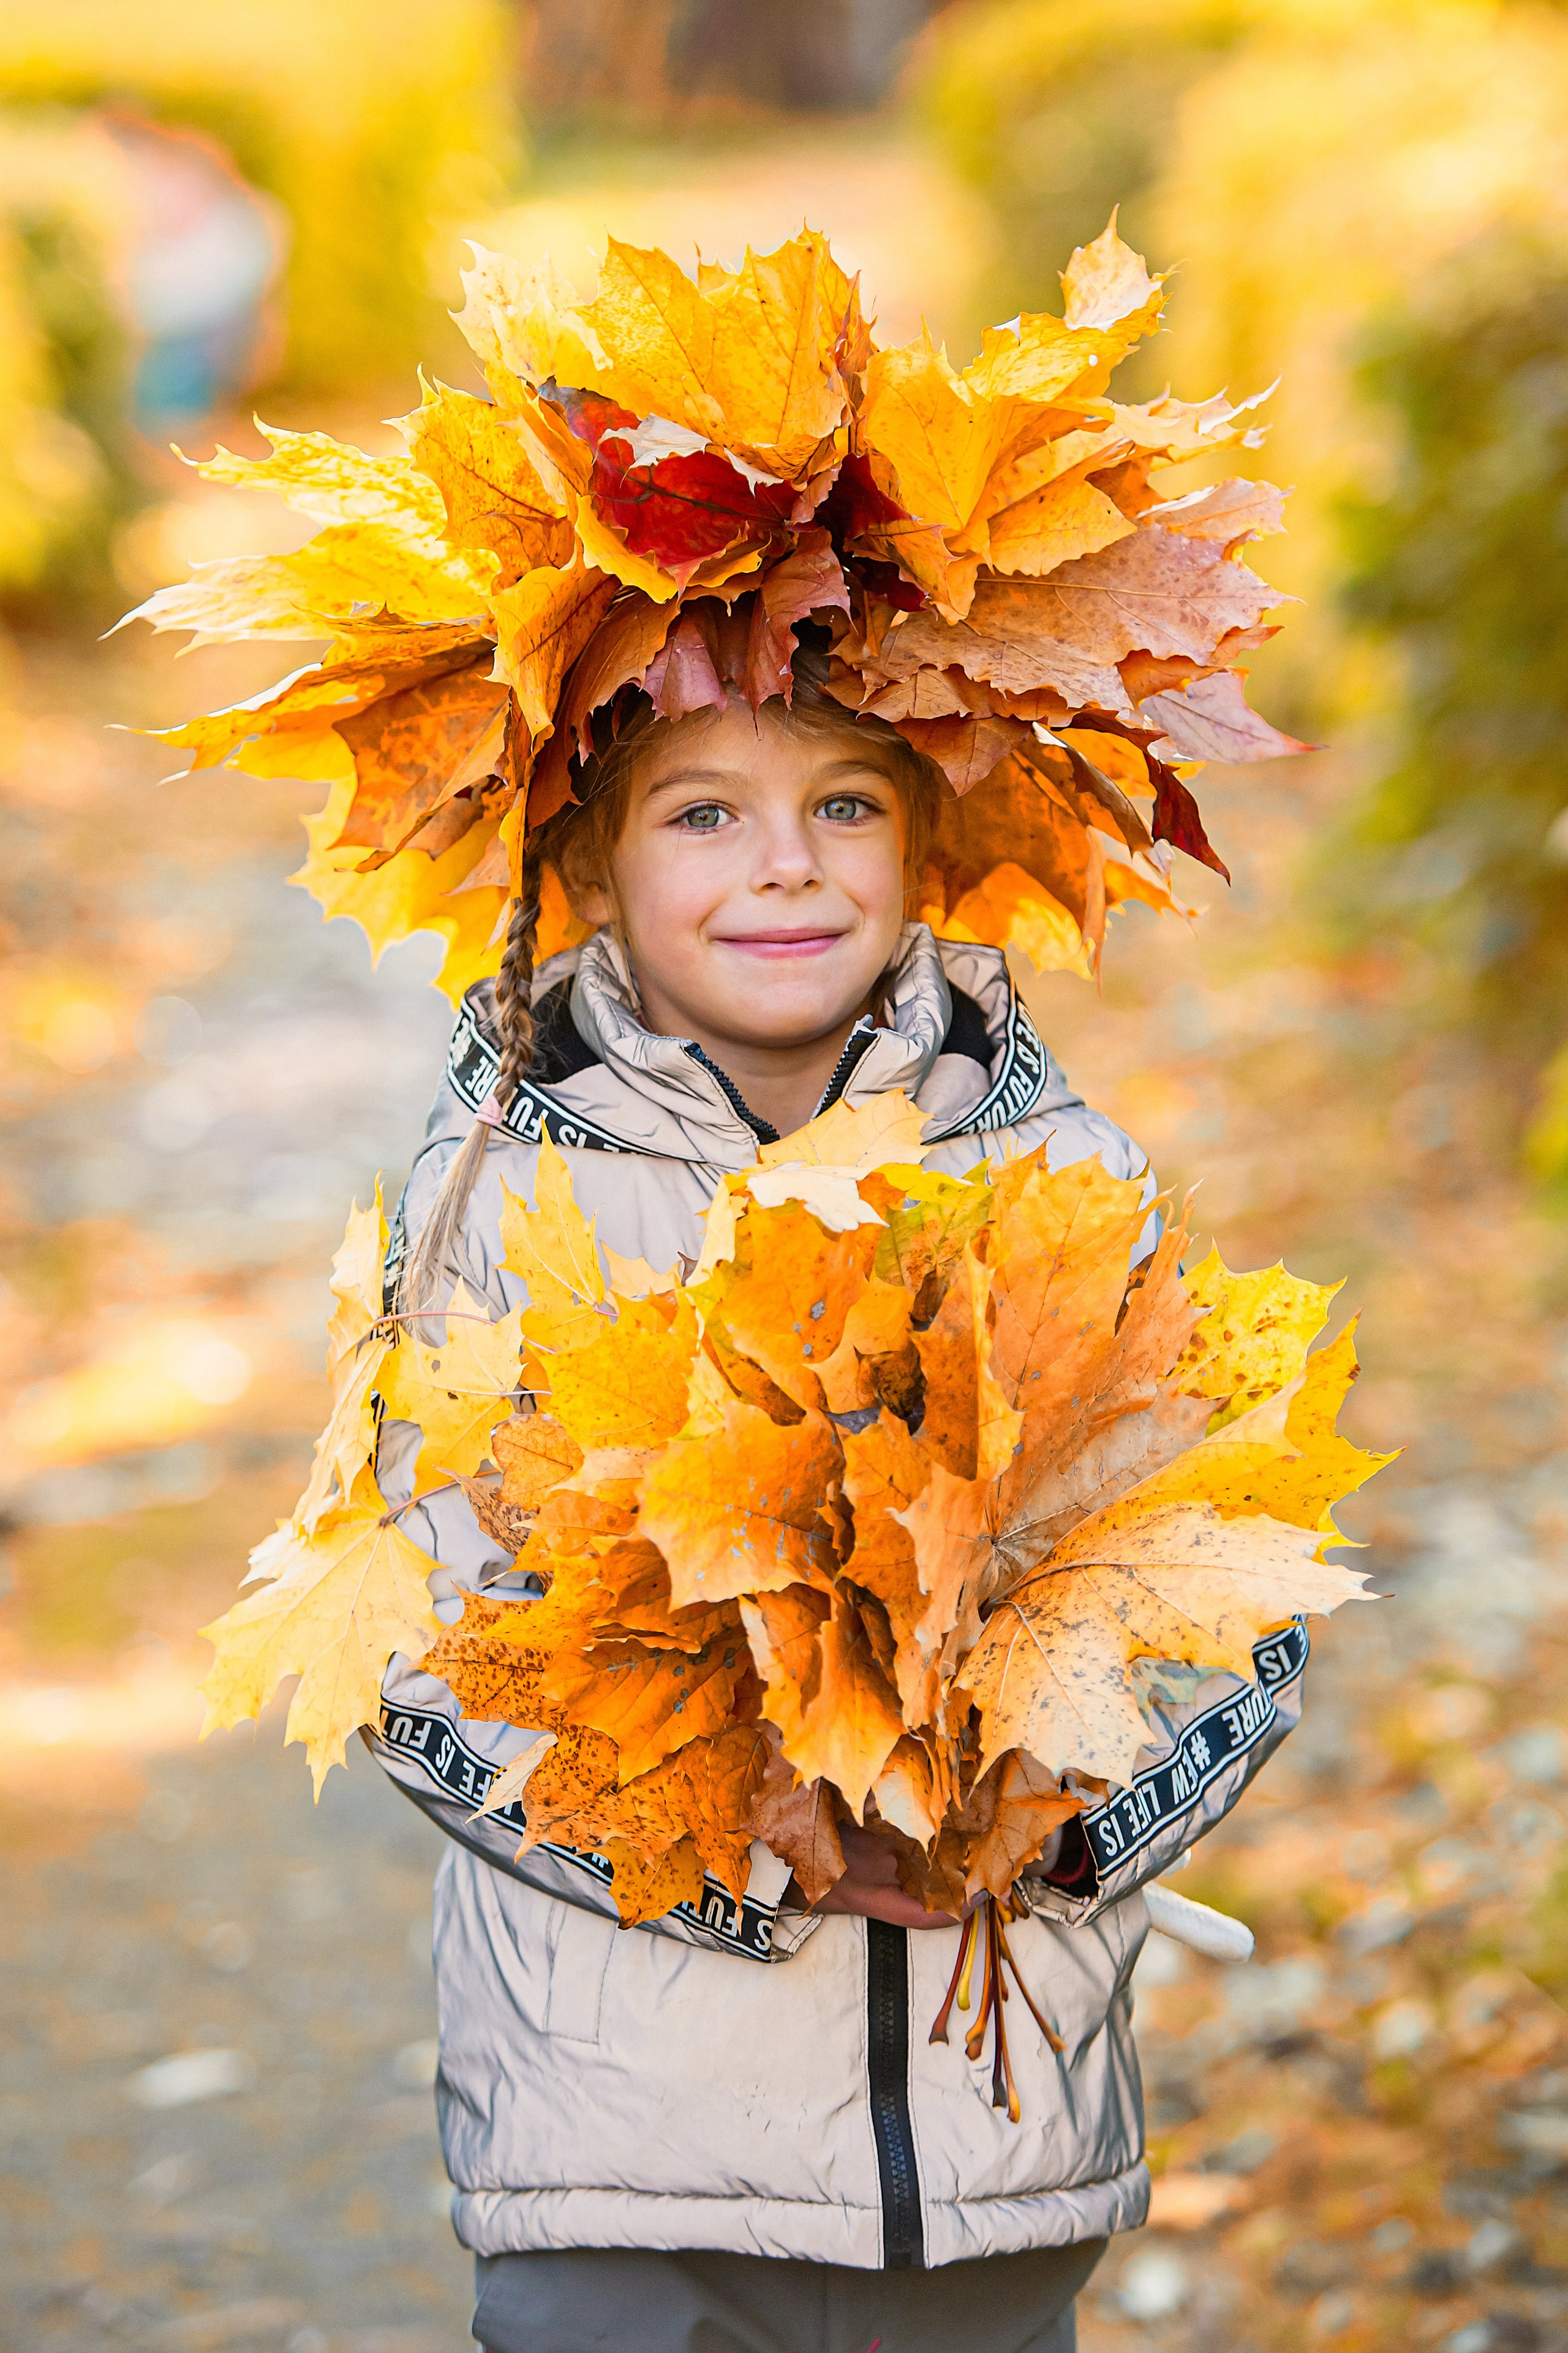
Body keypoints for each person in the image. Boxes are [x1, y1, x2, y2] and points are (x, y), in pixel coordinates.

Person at [368, 632, 1305, 2353]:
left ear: (925, 840)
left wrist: (1053, 1826)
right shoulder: (498, 1205)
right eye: (705, 814)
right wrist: (763, 1854)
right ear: (590, 862)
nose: (787, 862)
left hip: (993, 2159)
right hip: (626, 2176)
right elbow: (410, 1655)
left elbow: (1234, 1614)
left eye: (846, 802)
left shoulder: (1064, 1173)